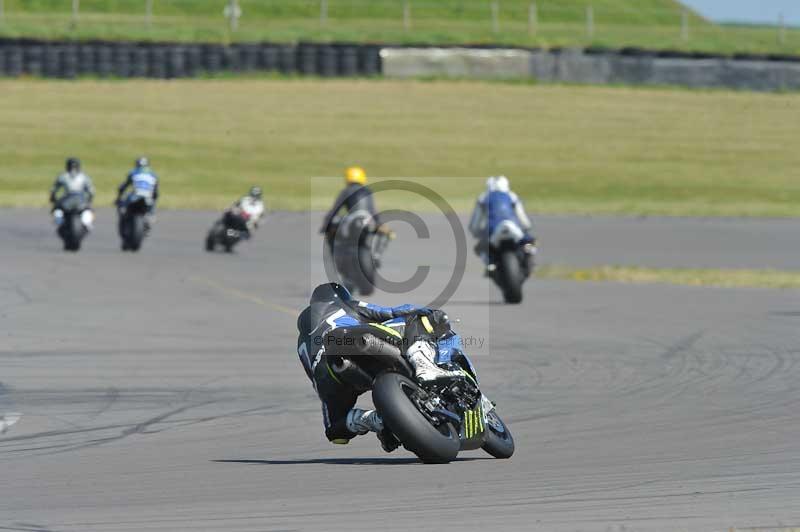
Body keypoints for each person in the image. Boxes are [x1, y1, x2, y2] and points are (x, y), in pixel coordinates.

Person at [296, 283, 462, 450]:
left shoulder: (302, 341)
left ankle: (374, 420)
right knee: (416, 319)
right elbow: (386, 313)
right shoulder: (343, 305)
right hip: (347, 340)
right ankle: (424, 367)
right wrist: (416, 310)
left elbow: (315, 376)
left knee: (335, 431)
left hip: (326, 379)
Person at [468, 175, 536, 274]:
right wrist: (527, 227)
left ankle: (489, 263)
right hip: (513, 226)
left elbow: (476, 221)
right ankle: (529, 250)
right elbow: (521, 215)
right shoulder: (512, 195)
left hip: (492, 228)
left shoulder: (484, 197)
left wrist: (475, 232)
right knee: (528, 241)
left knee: (481, 248)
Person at [319, 166, 381, 237]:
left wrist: (325, 227)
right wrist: (379, 224)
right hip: (367, 224)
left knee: (336, 221)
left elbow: (335, 210)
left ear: (347, 178)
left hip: (352, 224)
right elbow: (373, 210)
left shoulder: (346, 191)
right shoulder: (368, 192)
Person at [49, 157, 95, 227]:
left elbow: (53, 190)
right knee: (88, 209)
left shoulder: (63, 176)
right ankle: (87, 224)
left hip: (67, 198)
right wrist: (89, 200)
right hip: (80, 198)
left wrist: (53, 198)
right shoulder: (84, 177)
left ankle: (60, 222)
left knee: (57, 209)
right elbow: (91, 191)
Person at [116, 157, 159, 229]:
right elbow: (156, 192)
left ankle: (125, 216)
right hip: (148, 196)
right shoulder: (153, 174)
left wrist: (119, 197)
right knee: (152, 204)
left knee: (124, 206)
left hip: (136, 194)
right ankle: (151, 216)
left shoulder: (133, 172)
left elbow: (123, 187)